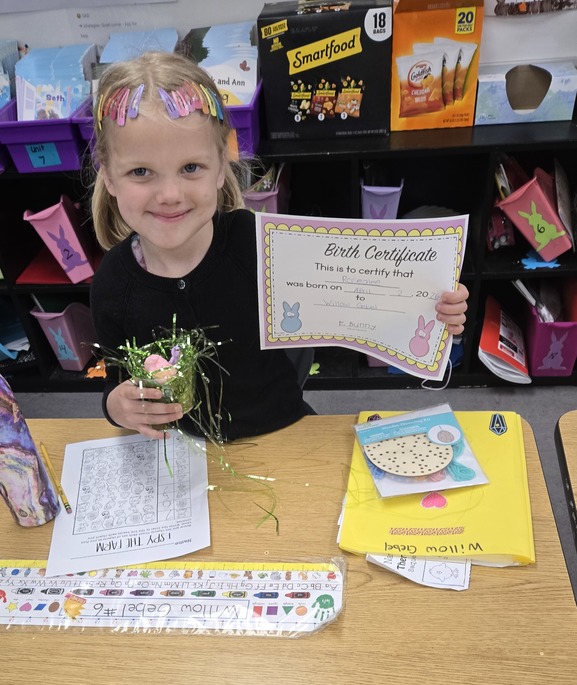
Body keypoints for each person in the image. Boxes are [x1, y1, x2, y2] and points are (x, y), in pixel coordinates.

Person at [90, 51, 469, 442]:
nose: (169, 194)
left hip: (284, 433)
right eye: (140, 172)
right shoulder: (112, 287)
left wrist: (432, 306)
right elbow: (119, 385)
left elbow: (366, 305)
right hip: (184, 459)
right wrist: (116, 406)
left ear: (221, 166)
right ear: (110, 176)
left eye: (190, 168)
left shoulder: (262, 244)